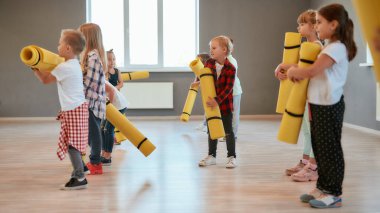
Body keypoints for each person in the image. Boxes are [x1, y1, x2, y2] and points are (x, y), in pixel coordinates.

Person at [287, 3, 357, 208]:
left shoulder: (336, 47)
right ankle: (322, 187)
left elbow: (312, 71)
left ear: (334, 24)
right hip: (317, 104)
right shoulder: (328, 46)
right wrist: (291, 68)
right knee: (319, 148)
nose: (316, 26)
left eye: (319, 22)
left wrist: (294, 72)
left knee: (330, 150)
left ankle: (333, 193)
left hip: (329, 106)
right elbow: (310, 69)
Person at [33, 29, 88, 190]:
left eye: (60, 43)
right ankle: (80, 169)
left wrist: (34, 66)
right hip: (77, 108)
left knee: (72, 145)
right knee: (74, 143)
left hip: (73, 110)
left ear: (68, 48)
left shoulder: (65, 68)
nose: (57, 46)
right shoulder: (74, 64)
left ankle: (80, 177)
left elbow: (45, 79)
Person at [275, 10, 322, 182]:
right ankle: (305, 162)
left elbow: (308, 68)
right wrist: (283, 69)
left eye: (302, 24)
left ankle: (314, 166)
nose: (298, 27)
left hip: (313, 96)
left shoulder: (317, 46)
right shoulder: (305, 46)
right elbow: (299, 66)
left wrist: (285, 65)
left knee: (312, 131)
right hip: (304, 94)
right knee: (306, 131)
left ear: (314, 26)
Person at [79, 23, 114, 175]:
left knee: (93, 135)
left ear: (87, 38)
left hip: (91, 102)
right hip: (91, 101)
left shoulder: (92, 57)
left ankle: (96, 163)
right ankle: (95, 159)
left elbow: (90, 84)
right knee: (90, 134)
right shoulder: (91, 56)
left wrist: (77, 90)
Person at [198, 35, 237, 168]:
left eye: (214, 48)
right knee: (212, 130)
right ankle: (212, 156)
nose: (211, 50)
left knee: (228, 131)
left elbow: (228, 89)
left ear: (224, 50)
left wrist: (217, 100)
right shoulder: (209, 63)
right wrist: (197, 83)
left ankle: (231, 157)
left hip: (224, 105)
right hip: (212, 106)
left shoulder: (231, 68)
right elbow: (204, 77)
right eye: (210, 48)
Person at [101, 81, 128, 165]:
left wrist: (110, 107)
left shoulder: (98, 78)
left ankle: (107, 157)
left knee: (108, 129)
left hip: (119, 106)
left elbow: (112, 90)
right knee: (102, 128)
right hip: (112, 106)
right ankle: (104, 153)